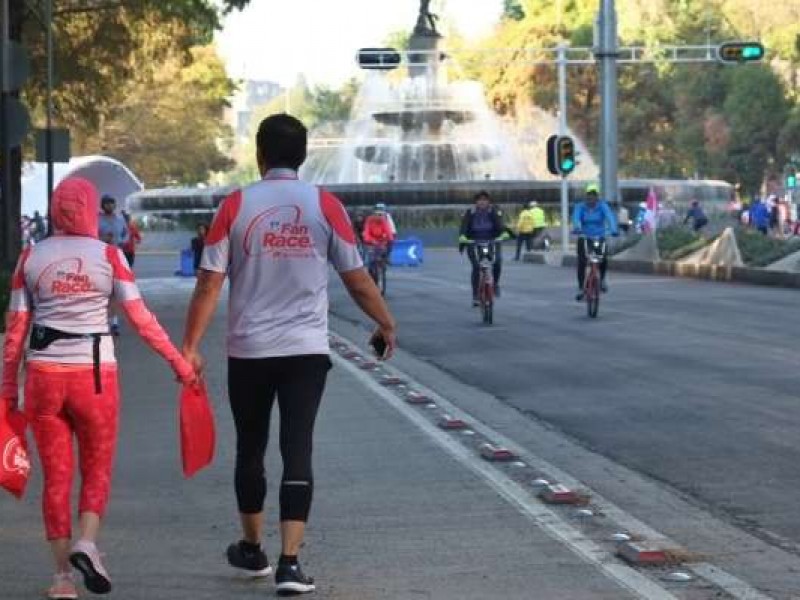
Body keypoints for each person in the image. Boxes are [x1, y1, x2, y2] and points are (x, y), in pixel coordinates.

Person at [181, 113, 396, 595]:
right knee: (297, 447)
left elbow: (209, 282)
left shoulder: (235, 205)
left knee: (251, 448)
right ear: (302, 155)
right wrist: (385, 323)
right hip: (305, 352)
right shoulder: (326, 205)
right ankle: (291, 563)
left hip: (249, 351)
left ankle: (252, 548)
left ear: (260, 155)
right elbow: (357, 278)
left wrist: (190, 346)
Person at [0, 177, 196, 600]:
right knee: (97, 469)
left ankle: (61, 580)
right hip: (95, 379)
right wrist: (180, 365)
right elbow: (141, 319)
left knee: (55, 478)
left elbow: (15, 331)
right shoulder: (108, 255)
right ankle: (87, 543)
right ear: (91, 210)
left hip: (43, 381)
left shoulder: (30, 257)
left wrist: (6, 391)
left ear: (55, 209)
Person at [459, 190, 509, 305]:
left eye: (485, 200)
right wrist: (462, 236)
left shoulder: (493, 211)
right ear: (476, 202)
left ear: (489, 202)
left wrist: (504, 234)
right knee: (476, 266)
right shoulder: (470, 212)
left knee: (498, 261)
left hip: (492, 241)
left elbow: (500, 225)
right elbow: (464, 226)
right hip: (473, 242)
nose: (482, 202)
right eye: (480, 200)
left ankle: (495, 284)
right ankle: (475, 296)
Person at [572, 183, 618, 300]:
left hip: (600, 236)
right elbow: (576, 218)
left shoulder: (603, 206)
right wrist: (577, 227)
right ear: (586, 196)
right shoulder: (580, 207)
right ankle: (581, 287)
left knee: (603, 258)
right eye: (589, 195)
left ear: (598, 196)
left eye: (594, 195)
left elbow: (610, 217)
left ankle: (602, 280)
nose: (591, 198)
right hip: (584, 236)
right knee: (582, 261)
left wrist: (613, 230)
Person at [98, 196, 129, 335]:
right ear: (102, 205)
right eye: (107, 204)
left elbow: (127, 233)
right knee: (102, 290)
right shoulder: (96, 220)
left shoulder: (120, 219)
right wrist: (101, 239)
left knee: (115, 291)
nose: (110, 206)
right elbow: (90, 235)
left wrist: (122, 241)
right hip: (100, 257)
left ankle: (114, 322)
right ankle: (101, 320)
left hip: (116, 256)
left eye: (112, 203)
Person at [362, 205, 396, 282]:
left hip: (381, 240)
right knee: (371, 260)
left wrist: (389, 240)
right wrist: (370, 240)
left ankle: (386, 257)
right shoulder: (369, 220)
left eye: (381, 215)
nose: (380, 216)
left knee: (389, 244)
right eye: (378, 214)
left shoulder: (384, 221)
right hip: (371, 240)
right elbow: (366, 232)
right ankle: (370, 273)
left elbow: (388, 232)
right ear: (374, 214)